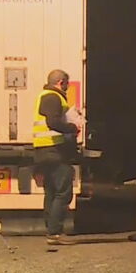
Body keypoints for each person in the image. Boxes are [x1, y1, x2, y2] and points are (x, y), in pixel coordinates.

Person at [33, 69, 81, 245]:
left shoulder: (45, 95)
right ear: (61, 82)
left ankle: (51, 231)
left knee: (52, 192)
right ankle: (55, 233)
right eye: (66, 84)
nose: (67, 87)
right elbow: (53, 122)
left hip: (44, 151)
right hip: (54, 151)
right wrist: (72, 128)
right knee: (63, 193)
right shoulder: (52, 97)